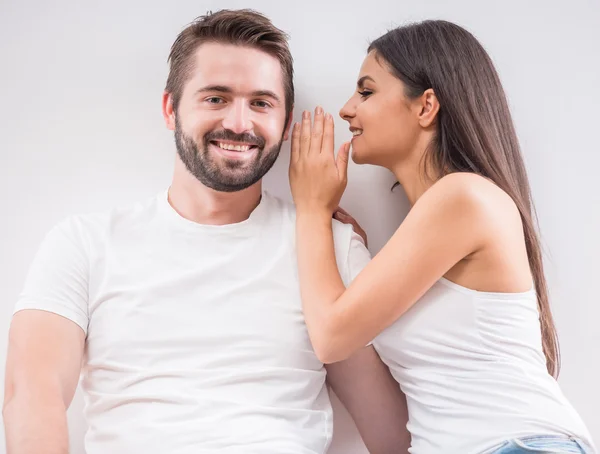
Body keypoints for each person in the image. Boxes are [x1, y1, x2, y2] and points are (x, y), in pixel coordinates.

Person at [2, 9, 411, 454]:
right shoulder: (84, 244)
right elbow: (32, 394)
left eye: (260, 102)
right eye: (216, 98)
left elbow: (390, 434)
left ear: (286, 120)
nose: (239, 123)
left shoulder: (328, 248)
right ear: (170, 109)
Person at [288, 19, 596, 454]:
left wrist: (311, 209)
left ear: (426, 105)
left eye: (367, 90)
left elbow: (331, 336)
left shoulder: (463, 196)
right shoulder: (440, 221)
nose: (346, 109)